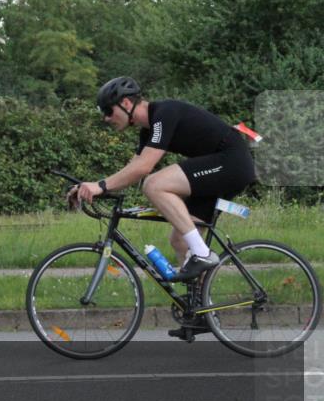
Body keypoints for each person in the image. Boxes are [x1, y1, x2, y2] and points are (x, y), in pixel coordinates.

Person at [71, 77, 256, 282]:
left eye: (108, 111)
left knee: (154, 184)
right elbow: (131, 171)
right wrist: (94, 189)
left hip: (232, 162)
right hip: (220, 168)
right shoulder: (148, 131)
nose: (106, 118)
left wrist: (100, 186)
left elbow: (144, 168)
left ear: (125, 103)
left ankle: (203, 254)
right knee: (180, 241)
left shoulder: (164, 113)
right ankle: (200, 307)